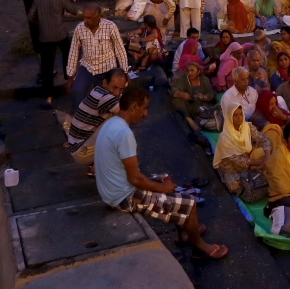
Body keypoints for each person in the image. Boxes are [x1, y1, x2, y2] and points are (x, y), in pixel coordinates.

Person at [96, 86, 226, 259]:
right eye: (144, 108)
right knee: (190, 204)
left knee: (165, 178)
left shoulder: (112, 123)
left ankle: (184, 233)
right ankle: (199, 247)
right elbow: (135, 179)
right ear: (134, 106)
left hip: (111, 191)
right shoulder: (123, 133)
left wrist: (161, 184)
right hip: (124, 197)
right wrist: (162, 189)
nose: (145, 114)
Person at [66, 4, 129, 112]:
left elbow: (120, 49)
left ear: (99, 16)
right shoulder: (80, 28)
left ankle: (108, 120)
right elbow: (74, 51)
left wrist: (125, 71)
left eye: (89, 18)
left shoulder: (110, 26)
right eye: (84, 17)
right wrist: (70, 76)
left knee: (108, 97)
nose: (85, 21)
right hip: (87, 67)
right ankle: (78, 119)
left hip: (107, 68)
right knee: (77, 91)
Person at [27, 0, 80, 103]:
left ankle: (48, 98)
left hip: (44, 36)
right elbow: (73, 11)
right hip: (60, 33)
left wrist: (40, 25)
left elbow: (30, 17)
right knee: (68, 53)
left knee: (47, 66)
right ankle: (68, 78)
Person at [213, 93, 271, 195]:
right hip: (232, 169)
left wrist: (266, 156)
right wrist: (256, 161)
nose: (239, 117)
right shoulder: (225, 136)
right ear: (229, 116)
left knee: (266, 178)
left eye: (241, 114)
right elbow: (234, 159)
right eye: (235, 115)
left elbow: (263, 138)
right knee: (234, 187)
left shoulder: (247, 127)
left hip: (249, 165)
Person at [67, 68, 128, 156]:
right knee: (118, 124)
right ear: (105, 83)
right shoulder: (105, 97)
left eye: (121, 89)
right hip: (81, 151)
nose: (117, 93)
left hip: (76, 145)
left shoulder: (97, 90)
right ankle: (97, 167)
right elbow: (125, 115)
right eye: (114, 87)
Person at [15, 0, 50, 82]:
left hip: (45, 14)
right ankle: (42, 71)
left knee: (47, 42)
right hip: (33, 16)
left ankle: (48, 69)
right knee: (37, 43)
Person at [170, 61, 217, 134]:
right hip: (190, 106)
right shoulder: (184, 79)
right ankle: (191, 122)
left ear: (198, 72)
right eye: (188, 70)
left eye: (192, 70)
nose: (189, 73)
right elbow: (174, 89)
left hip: (204, 106)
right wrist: (181, 94)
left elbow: (210, 92)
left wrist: (204, 97)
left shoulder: (204, 79)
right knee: (177, 100)